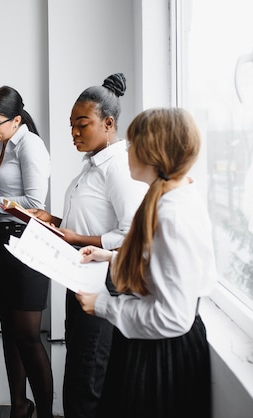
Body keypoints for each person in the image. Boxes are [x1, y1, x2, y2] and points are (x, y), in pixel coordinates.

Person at [76, 107, 217, 418]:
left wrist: (103, 306)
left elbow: (173, 317)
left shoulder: (173, 215)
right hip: (150, 344)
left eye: (132, 144)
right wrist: (112, 257)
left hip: (164, 354)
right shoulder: (169, 196)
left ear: (152, 152)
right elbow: (161, 266)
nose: (126, 150)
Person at [30, 73, 147, 418]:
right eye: (71, 126)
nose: (74, 133)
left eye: (82, 125)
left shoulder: (119, 170)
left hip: (106, 284)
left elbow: (131, 235)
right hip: (81, 279)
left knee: (88, 377)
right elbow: (90, 221)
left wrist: (78, 238)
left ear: (109, 124)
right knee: (81, 370)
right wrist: (52, 221)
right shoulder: (91, 166)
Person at [0, 86, 53, 418]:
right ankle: (19, 407)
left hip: (29, 243)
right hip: (2, 241)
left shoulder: (31, 145)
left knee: (28, 336)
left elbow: (36, 204)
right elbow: (2, 207)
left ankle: (46, 413)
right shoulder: (2, 145)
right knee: (10, 333)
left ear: (16, 119)